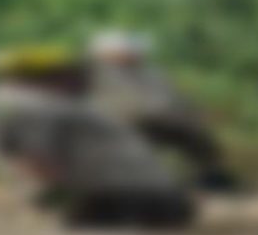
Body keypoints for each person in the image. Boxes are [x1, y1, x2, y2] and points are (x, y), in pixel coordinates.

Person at [0, 45, 194, 229]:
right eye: (69, 72)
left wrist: (47, 194)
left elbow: (28, 157)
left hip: (120, 200)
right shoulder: (35, 104)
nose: (77, 77)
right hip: (160, 200)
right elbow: (37, 155)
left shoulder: (14, 104)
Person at [87, 30, 237, 190]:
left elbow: (174, 99)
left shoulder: (150, 75)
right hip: (125, 125)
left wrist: (196, 112)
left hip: (161, 122)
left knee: (195, 133)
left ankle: (210, 174)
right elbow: (119, 107)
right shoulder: (101, 78)